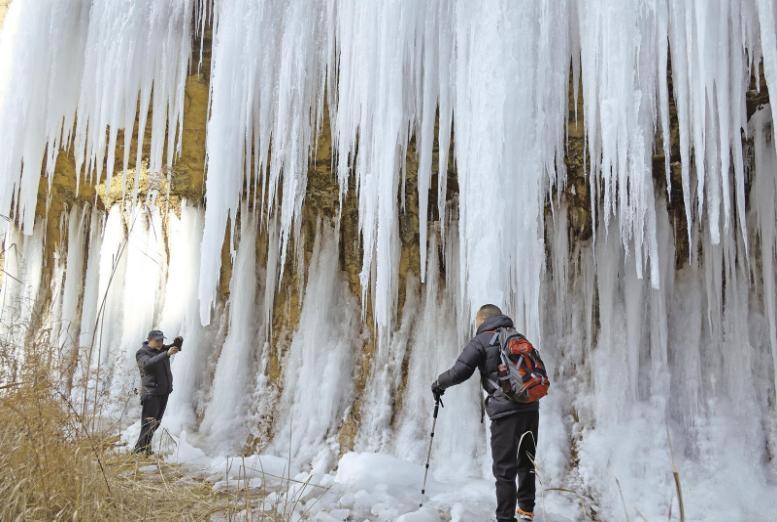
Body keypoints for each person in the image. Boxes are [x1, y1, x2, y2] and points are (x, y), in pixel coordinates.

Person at [431, 304, 540, 522]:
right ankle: (526, 511)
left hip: (505, 412)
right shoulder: (519, 337)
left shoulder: (481, 340)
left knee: (504, 469)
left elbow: (459, 371)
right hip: (531, 407)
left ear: (481, 320)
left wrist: (438, 383)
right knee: (526, 461)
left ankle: (505, 518)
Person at [133, 329, 181, 455]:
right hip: (151, 393)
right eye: (157, 340)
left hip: (163, 392)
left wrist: (178, 342)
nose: (160, 342)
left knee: (155, 423)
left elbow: (173, 347)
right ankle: (138, 451)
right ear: (150, 340)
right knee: (148, 424)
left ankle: (146, 449)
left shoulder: (161, 349)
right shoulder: (142, 353)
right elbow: (147, 364)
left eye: (162, 340)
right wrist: (166, 354)